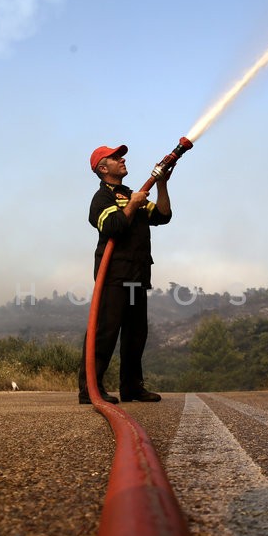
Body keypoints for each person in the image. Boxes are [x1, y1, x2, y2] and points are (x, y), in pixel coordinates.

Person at [77, 143, 173, 405]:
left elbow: (163, 216)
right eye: (115, 157)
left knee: (135, 333)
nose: (122, 160)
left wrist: (162, 184)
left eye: (121, 156)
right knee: (105, 331)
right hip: (114, 275)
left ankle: (132, 388)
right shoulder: (102, 199)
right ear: (102, 167)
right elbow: (113, 227)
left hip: (137, 275)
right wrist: (132, 205)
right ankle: (90, 389)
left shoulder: (133, 194)